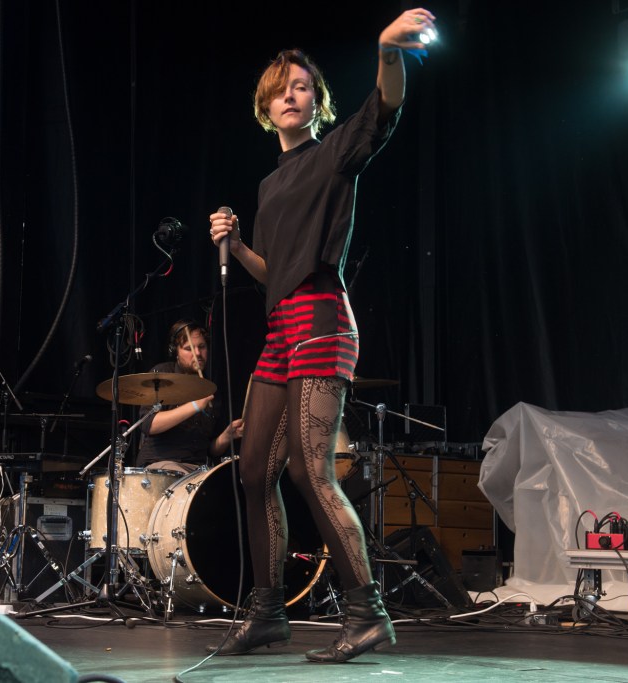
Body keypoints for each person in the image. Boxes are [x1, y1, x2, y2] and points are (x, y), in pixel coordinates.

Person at [208, 8, 436, 664]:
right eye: (280, 87)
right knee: (254, 473)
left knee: (312, 470)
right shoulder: (270, 182)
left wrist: (387, 49)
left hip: (322, 320)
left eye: (302, 86)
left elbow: (385, 107)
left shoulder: (335, 151)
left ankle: (368, 611)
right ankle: (267, 612)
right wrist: (236, 243)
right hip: (282, 328)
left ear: (317, 102)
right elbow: (271, 274)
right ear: (264, 105)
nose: (290, 94)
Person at [134, 320, 243, 474]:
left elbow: (211, 450)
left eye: (202, 347)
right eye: (189, 349)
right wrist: (193, 406)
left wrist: (227, 436)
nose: (197, 353)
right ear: (175, 352)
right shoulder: (163, 374)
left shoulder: (211, 388)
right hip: (161, 464)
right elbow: (149, 425)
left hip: (198, 470)